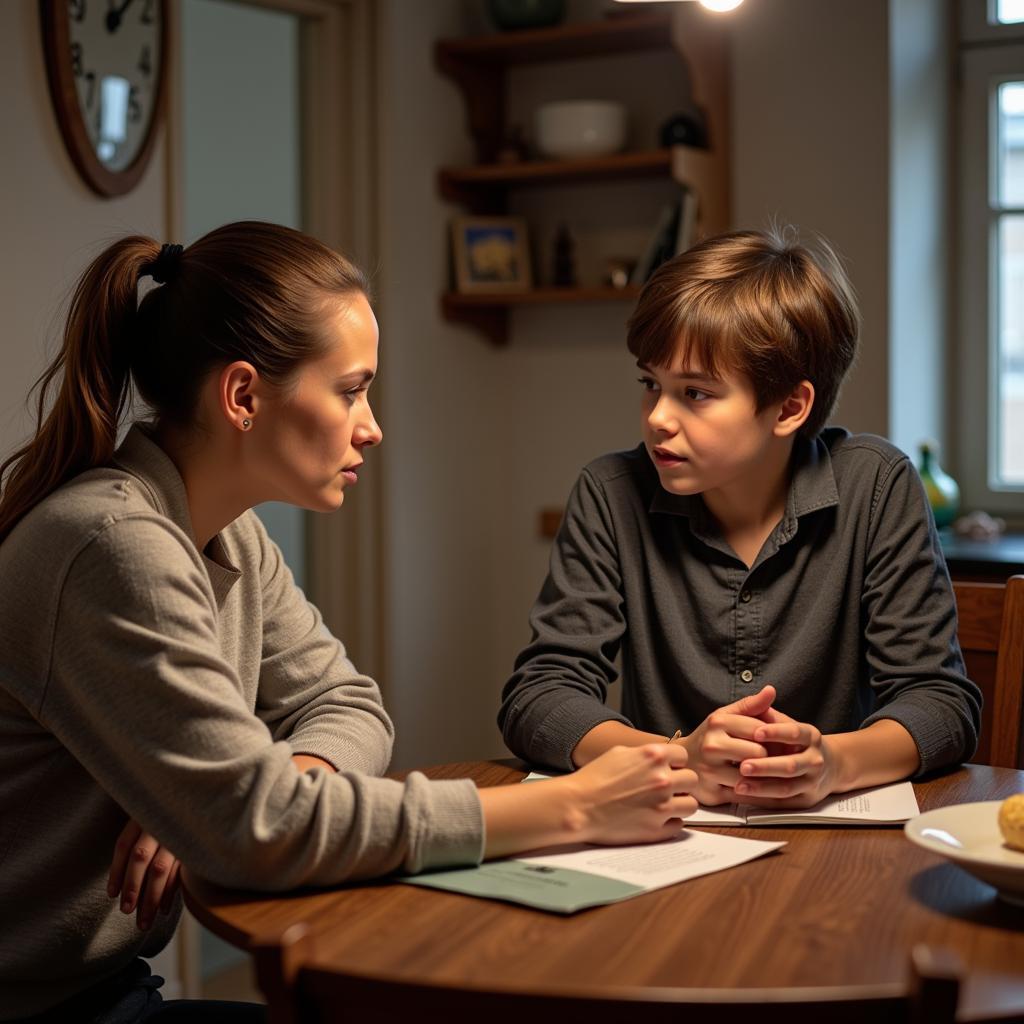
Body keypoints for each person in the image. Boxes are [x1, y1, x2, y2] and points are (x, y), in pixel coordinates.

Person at [0, 222, 699, 1023]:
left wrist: (213, 799)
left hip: (107, 993)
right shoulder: (113, 546)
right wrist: (572, 807)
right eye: (350, 389)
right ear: (242, 396)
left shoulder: (223, 531)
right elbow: (255, 834)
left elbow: (347, 705)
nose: (371, 426)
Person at [499, 228, 981, 810]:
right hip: (668, 842)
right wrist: (678, 760)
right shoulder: (610, 492)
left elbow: (940, 703)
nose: (657, 418)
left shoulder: (876, 486)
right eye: (651, 384)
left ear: (790, 407)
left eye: (695, 393)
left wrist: (831, 762)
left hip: (835, 855)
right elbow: (541, 695)